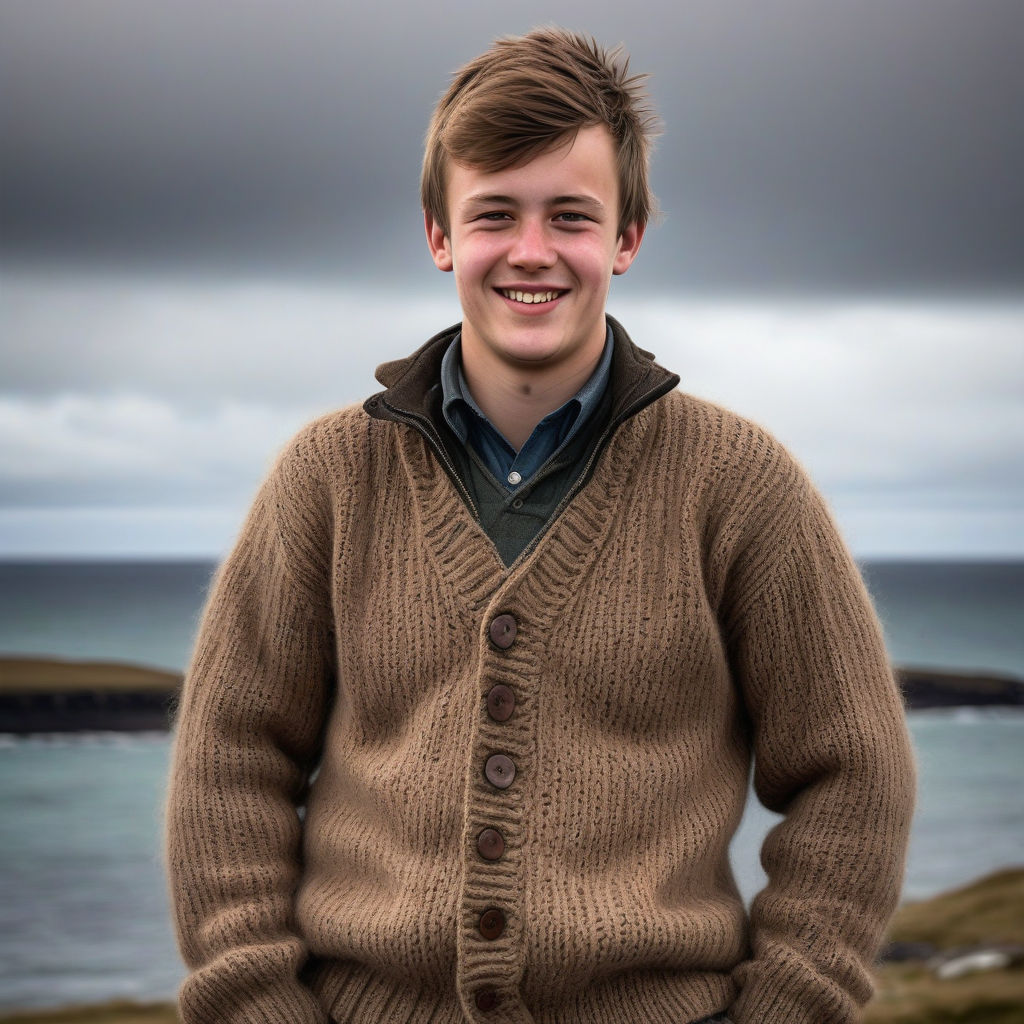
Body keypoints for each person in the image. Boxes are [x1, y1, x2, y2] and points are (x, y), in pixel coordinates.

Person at [165, 26, 916, 1024]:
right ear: (439, 236)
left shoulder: (740, 486)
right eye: (494, 214)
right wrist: (256, 1005)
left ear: (625, 239)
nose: (531, 251)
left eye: (571, 215)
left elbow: (854, 773)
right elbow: (230, 760)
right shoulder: (330, 478)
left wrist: (790, 1003)